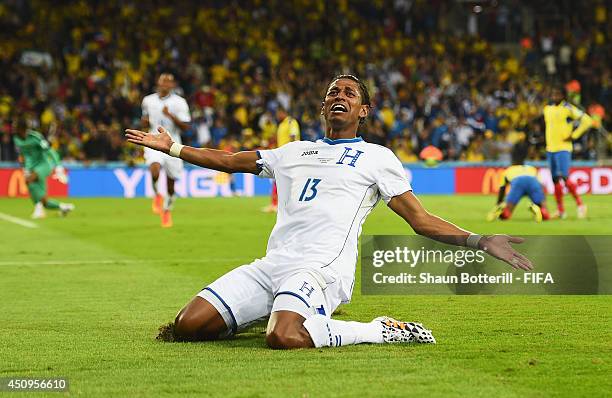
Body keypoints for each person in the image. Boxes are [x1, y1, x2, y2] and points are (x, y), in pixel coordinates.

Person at [126, 75, 532, 349]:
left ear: (364, 112)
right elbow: (232, 160)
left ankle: (378, 329)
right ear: (323, 107)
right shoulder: (293, 151)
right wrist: (174, 149)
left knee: (284, 337)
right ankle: (279, 307)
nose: (340, 97)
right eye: (333, 93)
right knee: (188, 326)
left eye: (350, 94)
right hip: (272, 265)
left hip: (322, 271)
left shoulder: (377, 158)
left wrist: (480, 240)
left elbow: (420, 219)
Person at [141, 73, 191, 227]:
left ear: (173, 85)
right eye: (163, 81)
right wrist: (144, 124)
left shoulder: (180, 102)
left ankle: (167, 210)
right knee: (154, 169)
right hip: (154, 141)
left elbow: (186, 127)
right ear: (158, 82)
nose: (165, 84)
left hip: (173, 143)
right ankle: (157, 195)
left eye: (169, 82)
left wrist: (171, 116)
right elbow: (145, 120)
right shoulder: (148, 100)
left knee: (171, 184)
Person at [543, 86, 593, 219]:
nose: (555, 97)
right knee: (555, 180)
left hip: (563, 148)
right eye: (553, 94)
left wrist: (574, 135)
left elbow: (587, 121)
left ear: (563, 96)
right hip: (550, 148)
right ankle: (561, 211)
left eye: (558, 94)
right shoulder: (547, 109)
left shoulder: (568, 108)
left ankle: (580, 205)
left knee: (564, 177)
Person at [13, 119, 74, 219]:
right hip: (32, 167)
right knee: (44, 200)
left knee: (29, 180)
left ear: (22, 128)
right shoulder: (16, 139)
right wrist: (25, 168)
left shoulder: (35, 137)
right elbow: (24, 154)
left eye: (16, 127)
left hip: (44, 164)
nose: (14, 129)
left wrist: (59, 167)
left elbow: (50, 151)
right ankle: (63, 207)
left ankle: (39, 210)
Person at [487, 143, 550, 222]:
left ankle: (503, 214)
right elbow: (540, 186)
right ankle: (539, 209)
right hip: (532, 181)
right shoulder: (531, 168)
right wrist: (543, 201)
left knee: (507, 214)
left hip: (518, 182)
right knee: (545, 214)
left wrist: (498, 204)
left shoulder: (508, 170)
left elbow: (502, 189)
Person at [262, 106, 300, 213]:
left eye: (278, 113)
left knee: (287, 179)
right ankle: (275, 204)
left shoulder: (291, 122)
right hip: (281, 155)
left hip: (290, 155)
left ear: (283, 112)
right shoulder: (281, 124)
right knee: (278, 178)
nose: (277, 116)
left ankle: (281, 204)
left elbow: (293, 136)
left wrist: (292, 152)